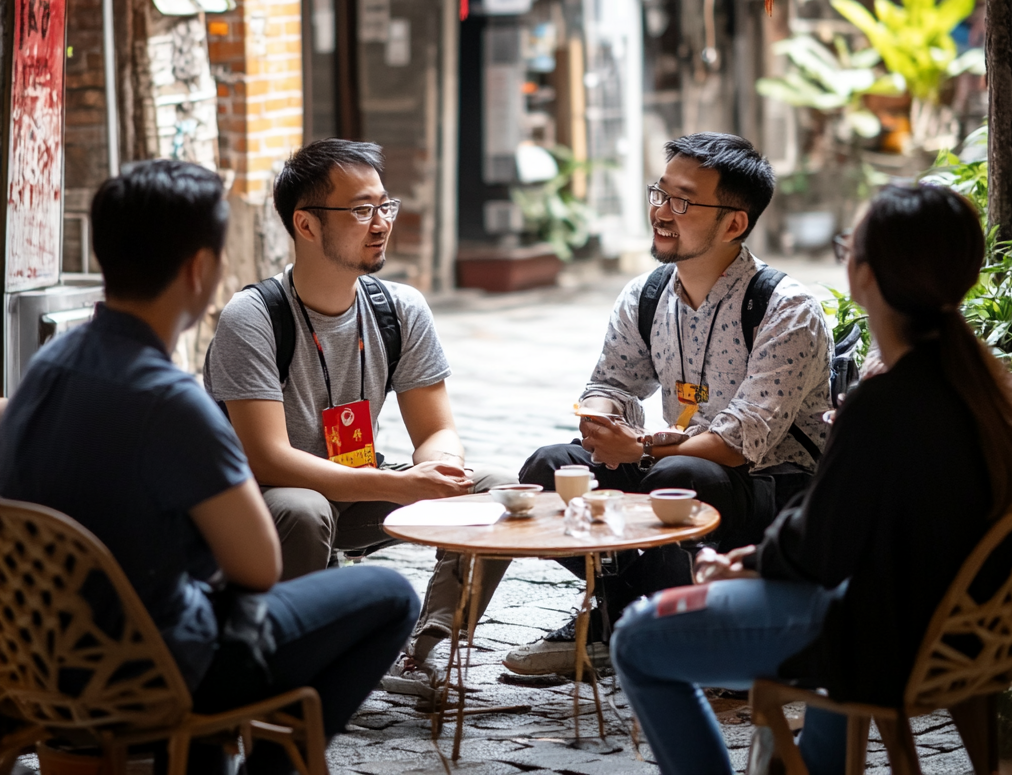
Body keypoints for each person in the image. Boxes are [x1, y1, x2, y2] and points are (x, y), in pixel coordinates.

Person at [0, 160, 420, 773]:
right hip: (148, 669)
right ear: (200, 269)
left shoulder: (50, 365)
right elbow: (257, 565)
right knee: (388, 594)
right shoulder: (171, 401)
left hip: (36, 658)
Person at [611, 182, 1012, 775]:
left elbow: (821, 550)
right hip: (959, 637)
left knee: (637, 638)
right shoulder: (985, 386)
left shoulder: (886, 400)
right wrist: (757, 560)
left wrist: (746, 563)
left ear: (867, 277)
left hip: (880, 641)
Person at [509, 132, 833, 676]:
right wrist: (601, 418)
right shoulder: (647, 294)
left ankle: (644, 628)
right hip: (669, 466)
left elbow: (737, 442)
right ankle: (620, 612)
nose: (661, 210)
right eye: (659, 193)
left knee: (685, 474)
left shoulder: (786, 309)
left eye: (683, 201)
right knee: (550, 469)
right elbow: (612, 380)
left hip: (768, 494)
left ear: (734, 223)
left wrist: (637, 454)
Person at [204, 139, 515, 701]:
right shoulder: (252, 317)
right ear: (306, 224)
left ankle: (429, 648)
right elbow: (268, 459)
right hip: (272, 503)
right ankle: (293, 660)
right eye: (360, 210)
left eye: (384, 206)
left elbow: (436, 428)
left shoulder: (399, 308)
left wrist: (440, 466)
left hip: (362, 486)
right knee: (303, 508)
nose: (381, 224)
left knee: (494, 489)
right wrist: (397, 484)